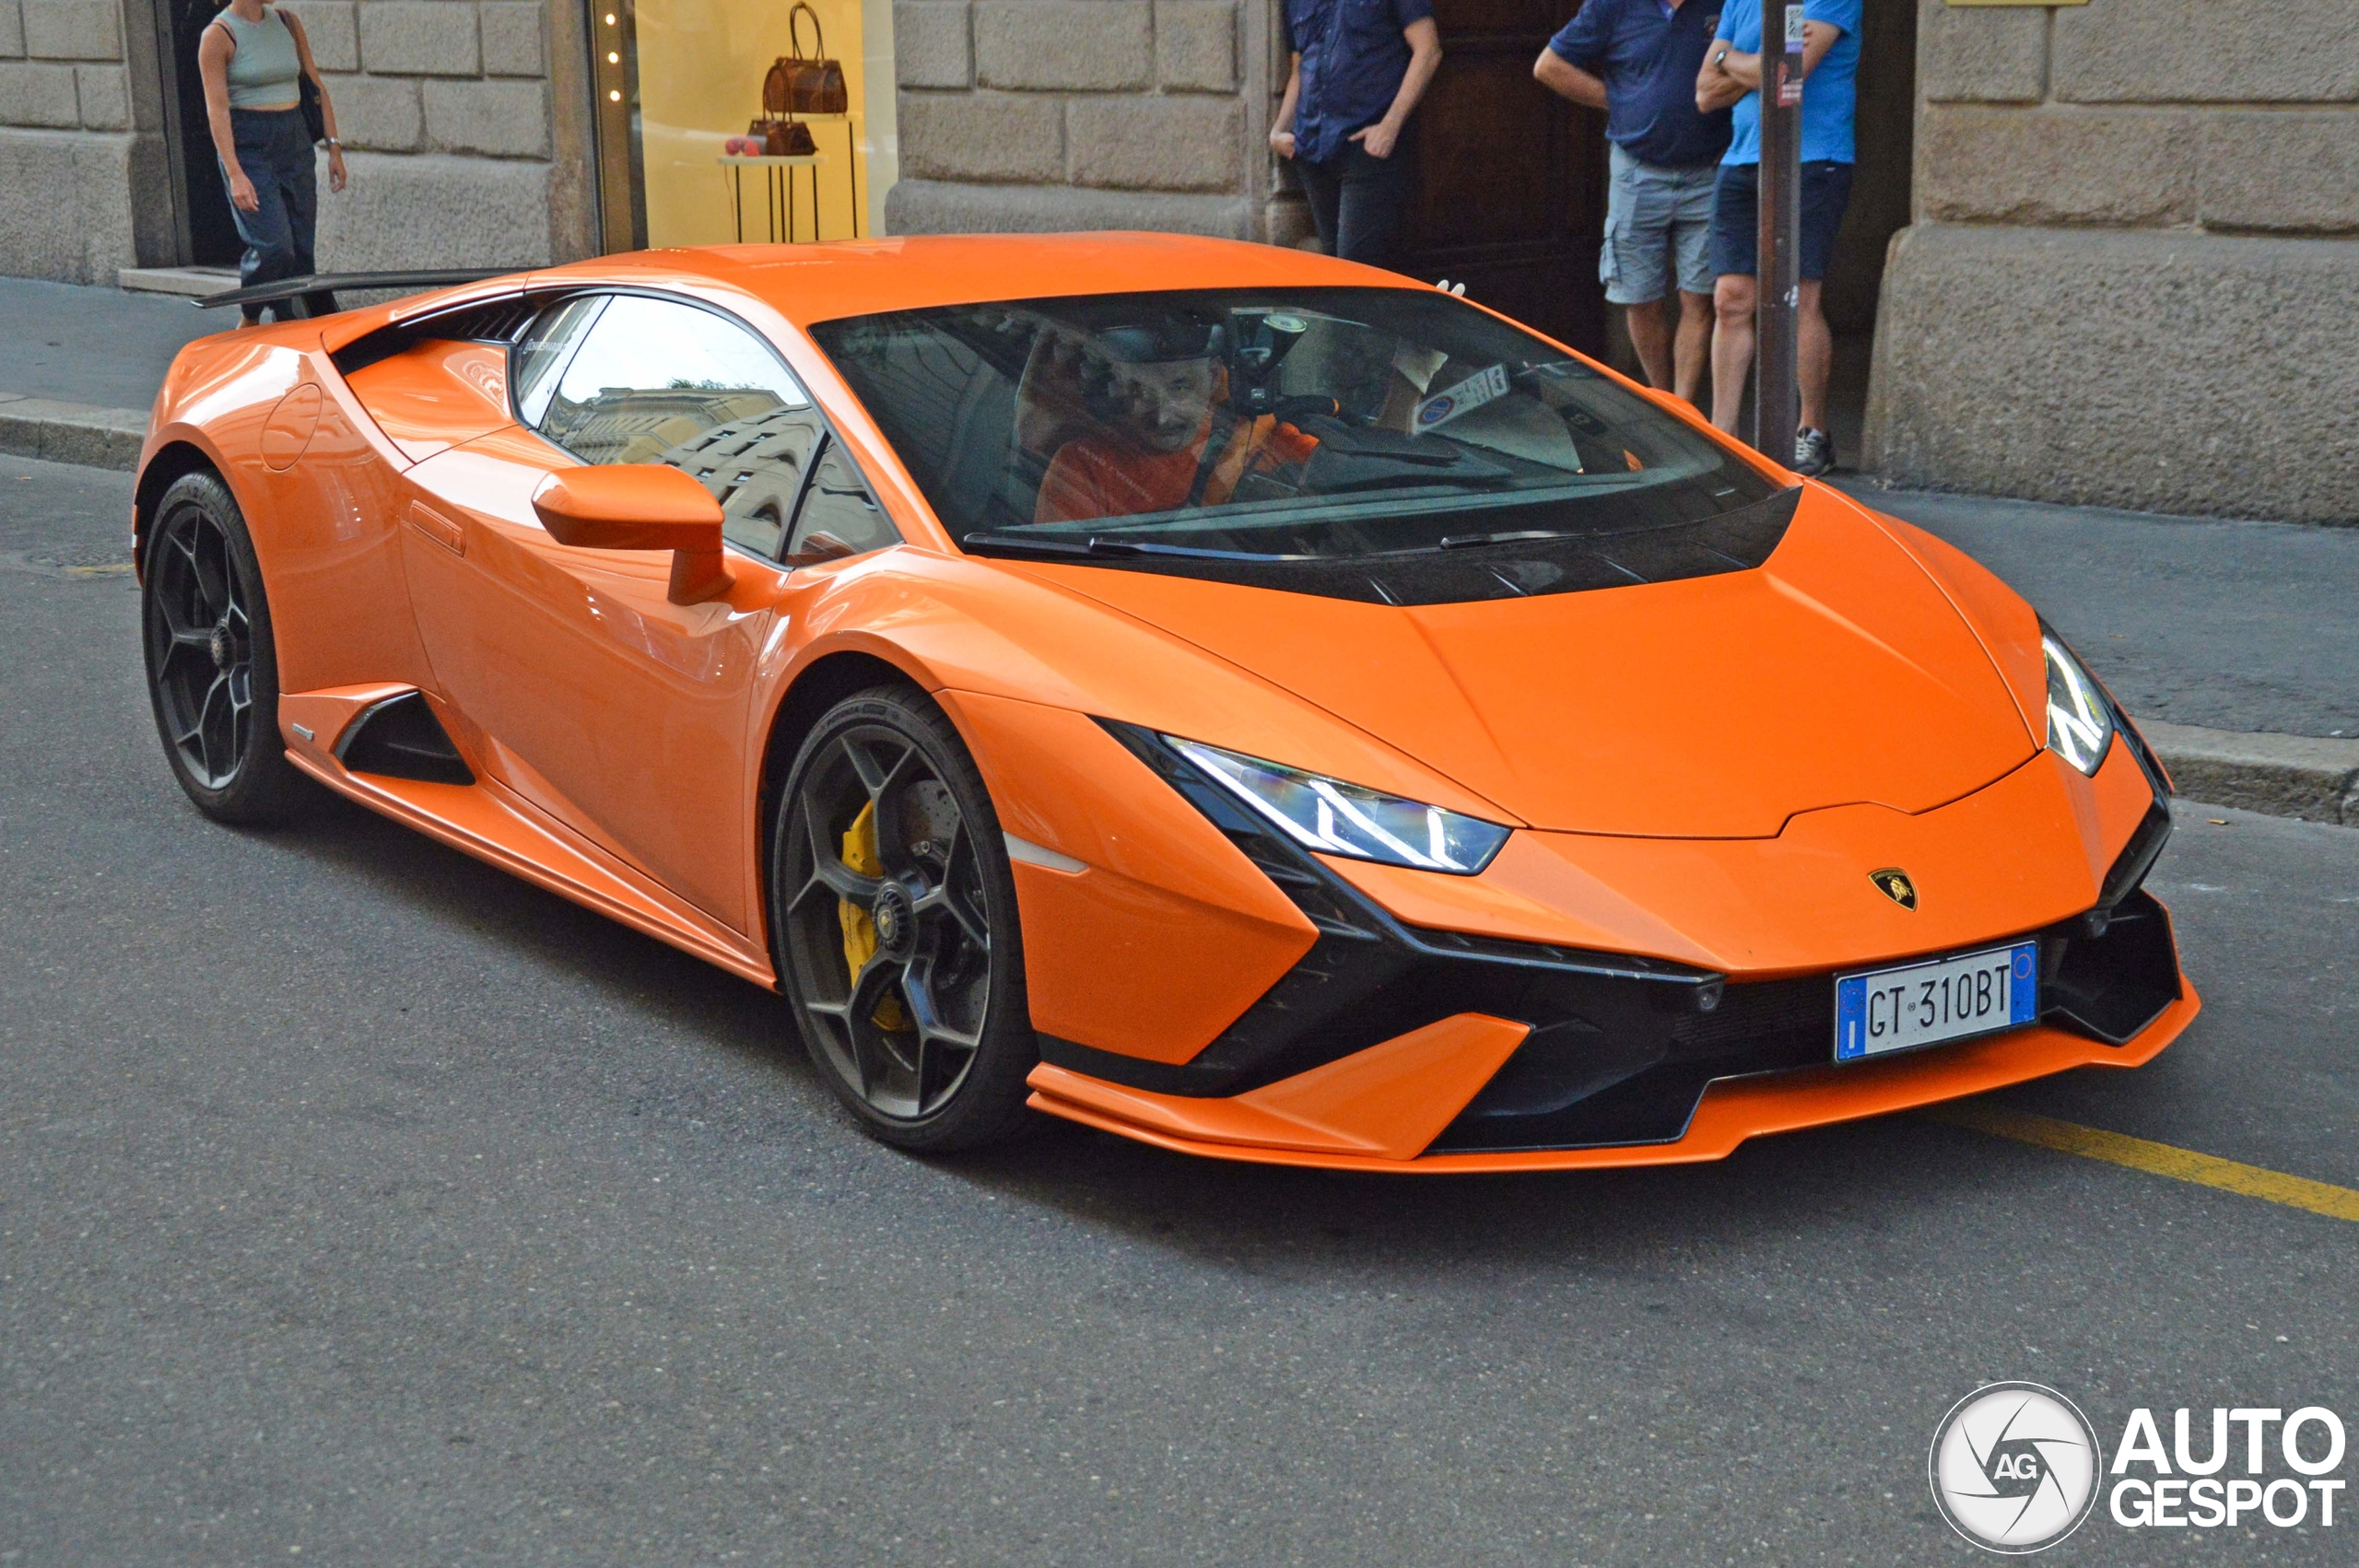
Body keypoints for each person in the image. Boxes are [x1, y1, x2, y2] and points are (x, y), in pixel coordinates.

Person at [1533, 0, 1731, 409]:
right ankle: (1662, 399)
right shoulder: (1613, 4)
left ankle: (1684, 408)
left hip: (1707, 171)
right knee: (1639, 296)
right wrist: (1620, 101)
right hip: (1637, 171)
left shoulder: (1722, 3)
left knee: (1701, 297)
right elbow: (1549, 65)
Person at [1695, 0, 1860, 474]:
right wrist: (1748, 66)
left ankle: (1812, 433)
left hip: (1814, 156)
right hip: (1742, 159)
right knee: (1730, 299)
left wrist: (1728, 60)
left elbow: (1790, 71)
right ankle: (1722, 436)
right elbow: (1705, 92)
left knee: (1798, 297)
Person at [1034, 325, 1318, 525]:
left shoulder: (1256, 434)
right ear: (1115, 389)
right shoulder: (1085, 466)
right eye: (1138, 391)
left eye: (1180, 388)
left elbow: (1340, 478)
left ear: (1213, 377)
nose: (1162, 417)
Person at [198, 0, 347, 324]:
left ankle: (288, 322)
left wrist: (333, 147)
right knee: (274, 246)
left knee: (302, 248)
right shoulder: (218, 36)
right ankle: (251, 311)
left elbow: (315, 85)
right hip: (250, 146)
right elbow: (217, 110)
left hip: (294, 140)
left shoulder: (288, 23)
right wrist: (234, 172)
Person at [1269, 0, 1443, 272]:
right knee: (1335, 270)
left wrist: (1390, 125)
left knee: (1357, 271)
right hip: (1312, 150)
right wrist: (1278, 130)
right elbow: (1299, 68)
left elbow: (1428, 51)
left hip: (1366, 148)